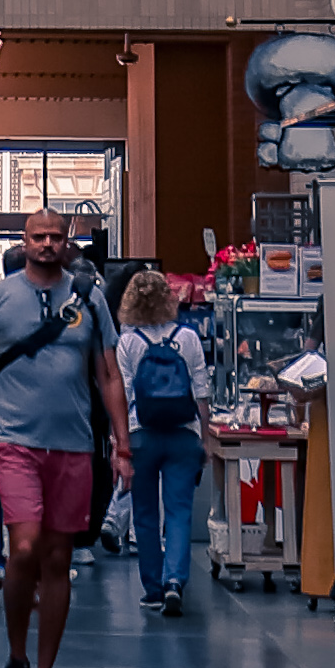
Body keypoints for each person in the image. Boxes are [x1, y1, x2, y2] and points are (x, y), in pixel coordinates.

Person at [0, 202, 121, 668]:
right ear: (25, 240)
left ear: (67, 241)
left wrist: (122, 445)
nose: (48, 244)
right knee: (26, 544)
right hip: (13, 441)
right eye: (39, 237)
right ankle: (15, 657)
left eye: (57, 236)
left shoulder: (90, 300)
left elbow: (109, 375)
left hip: (73, 445)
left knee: (58, 559)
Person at [119, 264, 215, 620]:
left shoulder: (128, 341)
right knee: (178, 512)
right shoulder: (187, 337)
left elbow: (124, 393)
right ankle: (175, 580)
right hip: (182, 434)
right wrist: (205, 438)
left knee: (145, 514)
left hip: (141, 435)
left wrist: (120, 444)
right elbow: (201, 391)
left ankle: (153, 589)